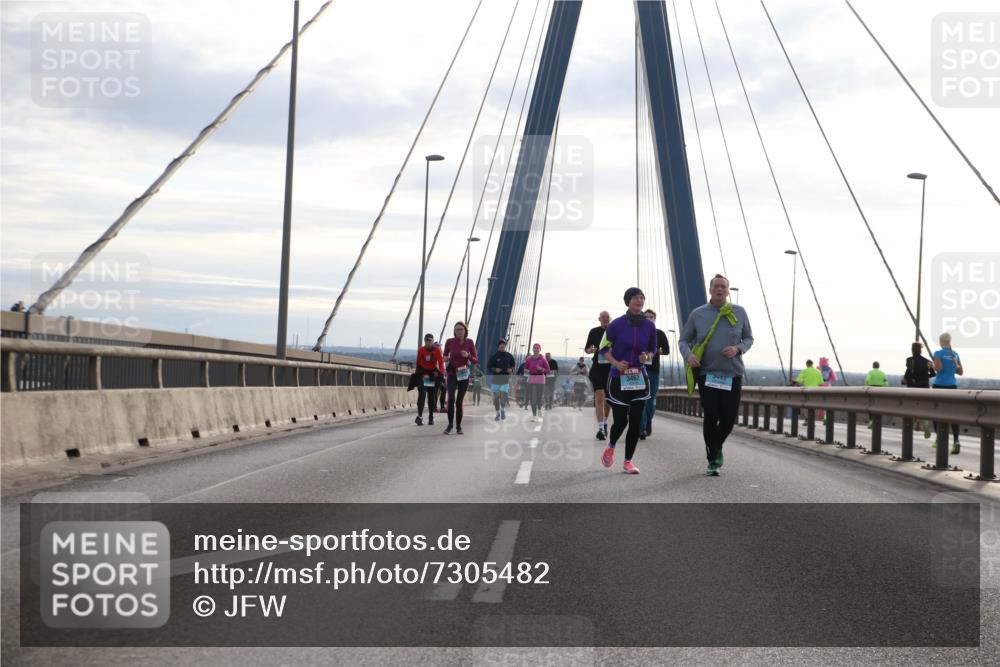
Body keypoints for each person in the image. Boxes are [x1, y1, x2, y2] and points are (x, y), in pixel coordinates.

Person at [680, 274, 754, 477]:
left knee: (729, 419)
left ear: (728, 291)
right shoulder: (698, 314)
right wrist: (689, 356)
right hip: (708, 373)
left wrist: (738, 349)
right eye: (717, 286)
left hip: (732, 374)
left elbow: (748, 338)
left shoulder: (739, 312)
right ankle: (713, 459)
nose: (720, 289)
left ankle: (715, 446)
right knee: (711, 416)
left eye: (724, 286)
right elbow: (684, 340)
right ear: (710, 289)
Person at [598, 288, 657, 475]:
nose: (639, 300)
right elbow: (603, 348)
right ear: (627, 301)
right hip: (618, 378)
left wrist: (647, 355)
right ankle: (611, 446)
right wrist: (616, 363)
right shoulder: (616, 325)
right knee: (621, 421)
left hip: (639, 378)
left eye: (642, 298)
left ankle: (628, 461)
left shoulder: (650, 326)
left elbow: (653, 350)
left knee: (636, 420)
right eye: (635, 298)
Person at [639, 308, 670, 440]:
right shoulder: (637, 332)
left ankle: (647, 421)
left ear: (655, 319)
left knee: (650, 399)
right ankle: (642, 428)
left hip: (653, 370)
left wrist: (658, 352)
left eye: (651, 317)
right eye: (646, 317)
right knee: (641, 399)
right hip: (638, 369)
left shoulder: (660, 334)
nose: (649, 319)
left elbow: (667, 351)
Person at [442, 321, 478, 435]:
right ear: (454, 331)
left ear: (465, 331)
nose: (459, 331)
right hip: (452, 373)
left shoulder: (470, 342)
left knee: (459, 401)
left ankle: (458, 426)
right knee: (451, 398)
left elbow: (475, 360)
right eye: (457, 329)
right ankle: (450, 425)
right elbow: (445, 356)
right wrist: (446, 358)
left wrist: (468, 356)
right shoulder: (450, 341)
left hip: (464, 374)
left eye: (461, 329)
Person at [932, 332, 964, 453]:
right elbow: (960, 372)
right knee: (953, 414)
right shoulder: (955, 354)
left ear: (940, 342)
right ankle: (956, 440)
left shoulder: (938, 353)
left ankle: (938, 438)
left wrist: (932, 365)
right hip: (952, 386)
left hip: (939, 385)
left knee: (936, 413)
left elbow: (939, 368)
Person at [584, 311, 612, 440]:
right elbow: (588, 349)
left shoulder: (615, 331)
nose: (605, 319)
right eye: (603, 317)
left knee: (609, 400)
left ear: (610, 319)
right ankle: (601, 428)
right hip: (597, 368)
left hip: (611, 368)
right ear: (599, 319)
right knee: (599, 397)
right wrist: (591, 350)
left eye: (607, 317)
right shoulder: (594, 331)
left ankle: (605, 422)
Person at [901, 341, 935, 439]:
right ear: (921, 350)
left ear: (912, 350)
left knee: (912, 406)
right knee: (923, 405)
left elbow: (908, 373)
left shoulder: (909, 360)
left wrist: (905, 380)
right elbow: (933, 374)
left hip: (913, 386)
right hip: (924, 386)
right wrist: (925, 377)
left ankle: (915, 423)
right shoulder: (927, 361)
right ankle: (925, 422)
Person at [414, 333, 445, 426]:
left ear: (432, 341)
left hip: (432, 374)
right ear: (424, 341)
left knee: (431, 396)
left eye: (430, 340)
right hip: (422, 373)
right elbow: (418, 362)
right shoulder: (421, 350)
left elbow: (441, 362)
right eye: (426, 340)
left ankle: (431, 416)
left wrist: (442, 374)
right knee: (422, 394)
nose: (428, 342)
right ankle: (420, 416)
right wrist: (416, 374)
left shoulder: (437, 350)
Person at [486, 339, 516, 421]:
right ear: (498, 346)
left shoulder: (509, 356)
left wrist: (511, 370)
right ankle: (497, 413)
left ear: (505, 346)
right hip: (496, 379)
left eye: (503, 344)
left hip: (505, 379)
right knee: (496, 399)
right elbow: (489, 366)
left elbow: (513, 365)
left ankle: (503, 410)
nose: (502, 345)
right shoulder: (494, 356)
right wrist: (495, 369)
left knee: (503, 396)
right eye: (501, 344)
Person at [524, 344, 551, 421]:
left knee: (539, 397)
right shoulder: (529, 359)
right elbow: (525, 368)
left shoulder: (543, 359)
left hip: (540, 378)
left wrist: (542, 369)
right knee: (532, 398)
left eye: (537, 348)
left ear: (540, 349)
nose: (536, 350)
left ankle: (539, 409)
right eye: (534, 348)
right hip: (532, 378)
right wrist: (527, 370)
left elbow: (548, 371)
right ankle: (534, 416)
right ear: (533, 349)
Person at [864, 361, 888, 429]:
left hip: (871, 389)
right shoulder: (882, 373)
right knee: (878, 405)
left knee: (870, 405)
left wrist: (866, 387)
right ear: (878, 366)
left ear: (873, 366)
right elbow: (886, 383)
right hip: (880, 390)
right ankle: (877, 421)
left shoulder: (870, 372)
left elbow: (867, 380)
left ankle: (871, 421)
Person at [817, 356, 836, 422]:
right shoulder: (829, 368)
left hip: (820, 386)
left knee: (819, 402)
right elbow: (834, 378)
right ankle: (826, 417)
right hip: (827, 386)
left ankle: (820, 417)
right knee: (826, 402)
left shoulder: (818, 368)